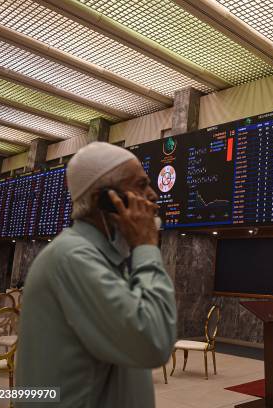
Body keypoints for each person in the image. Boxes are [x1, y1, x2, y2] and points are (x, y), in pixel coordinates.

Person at [16, 142, 177, 407]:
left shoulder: (106, 261)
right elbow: (154, 343)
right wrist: (146, 247)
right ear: (105, 200)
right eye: (140, 185)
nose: (153, 195)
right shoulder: (72, 258)